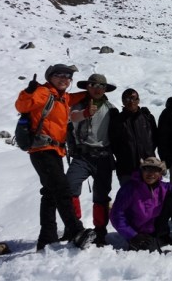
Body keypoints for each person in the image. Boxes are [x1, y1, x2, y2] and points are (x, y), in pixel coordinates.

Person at [15, 64, 96, 251]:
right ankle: (76, 231)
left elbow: (74, 97)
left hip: (54, 151)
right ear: (50, 77)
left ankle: (47, 237)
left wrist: (90, 91)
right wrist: (28, 91)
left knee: (51, 193)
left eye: (68, 77)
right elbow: (22, 105)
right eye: (59, 75)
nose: (64, 79)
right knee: (61, 189)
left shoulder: (62, 97)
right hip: (42, 150)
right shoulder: (43, 92)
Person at [109, 157, 172, 253]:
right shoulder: (129, 189)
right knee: (150, 251)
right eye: (146, 169)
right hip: (137, 233)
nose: (150, 174)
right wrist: (132, 235)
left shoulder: (164, 187)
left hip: (155, 228)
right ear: (141, 171)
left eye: (155, 170)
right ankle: (145, 242)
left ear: (160, 173)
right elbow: (116, 215)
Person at [65, 74, 117, 246]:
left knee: (101, 196)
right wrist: (85, 113)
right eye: (93, 85)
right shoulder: (77, 105)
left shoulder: (111, 109)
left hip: (103, 157)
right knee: (70, 187)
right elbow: (73, 118)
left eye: (101, 86)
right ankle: (74, 228)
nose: (97, 88)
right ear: (87, 87)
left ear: (105, 89)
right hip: (82, 155)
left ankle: (100, 231)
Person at [109, 88, 158, 185]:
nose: (131, 101)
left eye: (133, 98)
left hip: (149, 167)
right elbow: (113, 144)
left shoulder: (147, 118)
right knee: (129, 198)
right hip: (126, 169)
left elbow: (155, 139)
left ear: (138, 100)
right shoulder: (117, 121)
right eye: (127, 99)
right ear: (123, 101)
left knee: (150, 197)